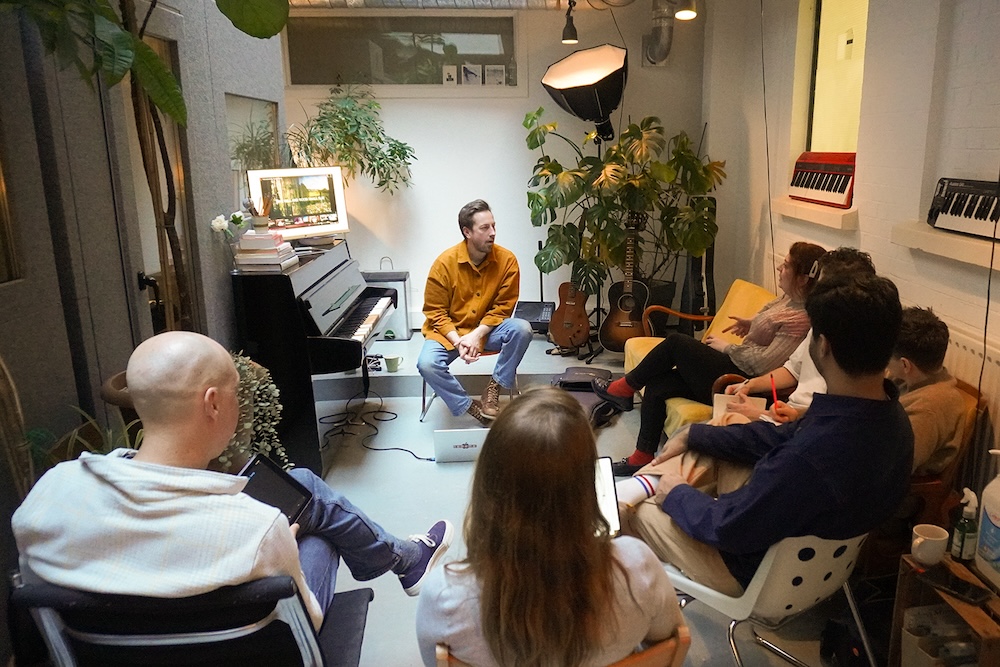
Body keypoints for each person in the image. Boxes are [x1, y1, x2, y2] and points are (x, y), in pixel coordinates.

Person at [12, 332, 452, 631]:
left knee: (298, 485)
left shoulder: (47, 496)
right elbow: (308, 621)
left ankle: (405, 557)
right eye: (237, 394)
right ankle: (405, 558)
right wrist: (287, 539)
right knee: (314, 527)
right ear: (213, 404)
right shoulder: (257, 529)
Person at [623, 275, 912, 596]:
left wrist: (675, 493)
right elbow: (779, 437)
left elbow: (727, 527)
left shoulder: (808, 458)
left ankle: (631, 596)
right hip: (813, 564)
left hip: (755, 574)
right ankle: (644, 483)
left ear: (823, 344)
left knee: (635, 511)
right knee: (723, 433)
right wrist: (695, 434)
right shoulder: (892, 418)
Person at [416, 388, 682, 667]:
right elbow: (667, 639)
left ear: (488, 484)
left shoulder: (445, 596)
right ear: (588, 488)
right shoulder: (638, 569)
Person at [597, 241, 827, 475]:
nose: (779, 268)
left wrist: (726, 347)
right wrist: (751, 324)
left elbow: (762, 364)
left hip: (742, 380)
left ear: (802, 279)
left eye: (786, 265)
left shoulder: (802, 318)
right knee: (660, 382)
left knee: (677, 343)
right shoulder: (787, 299)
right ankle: (642, 456)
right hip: (738, 367)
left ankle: (622, 388)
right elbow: (769, 326)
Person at [723, 247, 877, 424]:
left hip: (798, 425)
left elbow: (830, 415)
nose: (815, 289)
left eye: (821, 283)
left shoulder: (854, 348)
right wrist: (750, 385)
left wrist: (760, 414)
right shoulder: (820, 325)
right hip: (788, 416)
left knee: (700, 435)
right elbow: (793, 369)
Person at [418, 199, 533, 426]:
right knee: (427, 364)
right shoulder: (444, 264)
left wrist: (476, 334)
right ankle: (470, 406)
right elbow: (435, 312)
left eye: (493, 226)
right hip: (448, 333)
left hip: (488, 330)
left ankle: (493, 388)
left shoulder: (507, 260)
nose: (492, 233)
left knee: (522, 329)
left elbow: (504, 307)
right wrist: (459, 340)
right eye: (484, 228)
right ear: (467, 232)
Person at [888, 306, 971, 474]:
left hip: (903, 492)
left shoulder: (928, 410)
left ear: (905, 365)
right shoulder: (913, 380)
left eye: (887, 354)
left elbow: (894, 469)